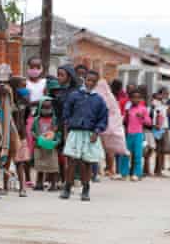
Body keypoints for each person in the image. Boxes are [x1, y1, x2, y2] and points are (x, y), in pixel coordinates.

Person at [60, 70, 108, 201]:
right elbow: (66, 112)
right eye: (88, 80)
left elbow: (103, 118)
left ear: (96, 83)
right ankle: (67, 188)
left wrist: (97, 131)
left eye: (93, 81)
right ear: (84, 80)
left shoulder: (99, 100)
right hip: (75, 133)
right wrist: (67, 127)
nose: (90, 83)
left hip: (90, 134)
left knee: (87, 163)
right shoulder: (74, 96)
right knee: (72, 162)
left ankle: (86, 189)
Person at [96, 79, 126, 178]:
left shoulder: (102, 97)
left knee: (106, 150)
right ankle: (108, 169)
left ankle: (108, 169)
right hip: (110, 126)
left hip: (105, 126)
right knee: (109, 149)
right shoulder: (109, 97)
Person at [30, 97, 60, 190]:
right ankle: (39, 184)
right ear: (39, 108)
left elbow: (58, 132)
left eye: (48, 107)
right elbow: (32, 131)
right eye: (44, 107)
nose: (46, 110)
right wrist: (36, 137)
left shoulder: (55, 120)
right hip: (39, 145)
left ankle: (54, 184)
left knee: (53, 166)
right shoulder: (36, 120)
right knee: (40, 166)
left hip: (51, 146)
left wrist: (57, 141)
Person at [120, 88, 150, 181]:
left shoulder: (143, 109)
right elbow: (124, 121)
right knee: (125, 154)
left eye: (138, 98)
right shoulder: (128, 109)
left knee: (137, 155)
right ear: (130, 99)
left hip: (138, 134)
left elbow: (149, 122)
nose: (136, 100)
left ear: (141, 99)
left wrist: (142, 117)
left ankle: (137, 174)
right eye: (133, 98)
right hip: (128, 134)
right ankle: (124, 173)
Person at [148, 91, 170, 178]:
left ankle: (157, 170)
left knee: (160, 150)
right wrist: (156, 125)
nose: (163, 96)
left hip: (162, 128)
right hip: (158, 129)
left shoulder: (162, 104)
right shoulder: (155, 104)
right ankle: (158, 171)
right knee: (159, 150)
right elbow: (155, 116)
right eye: (161, 94)